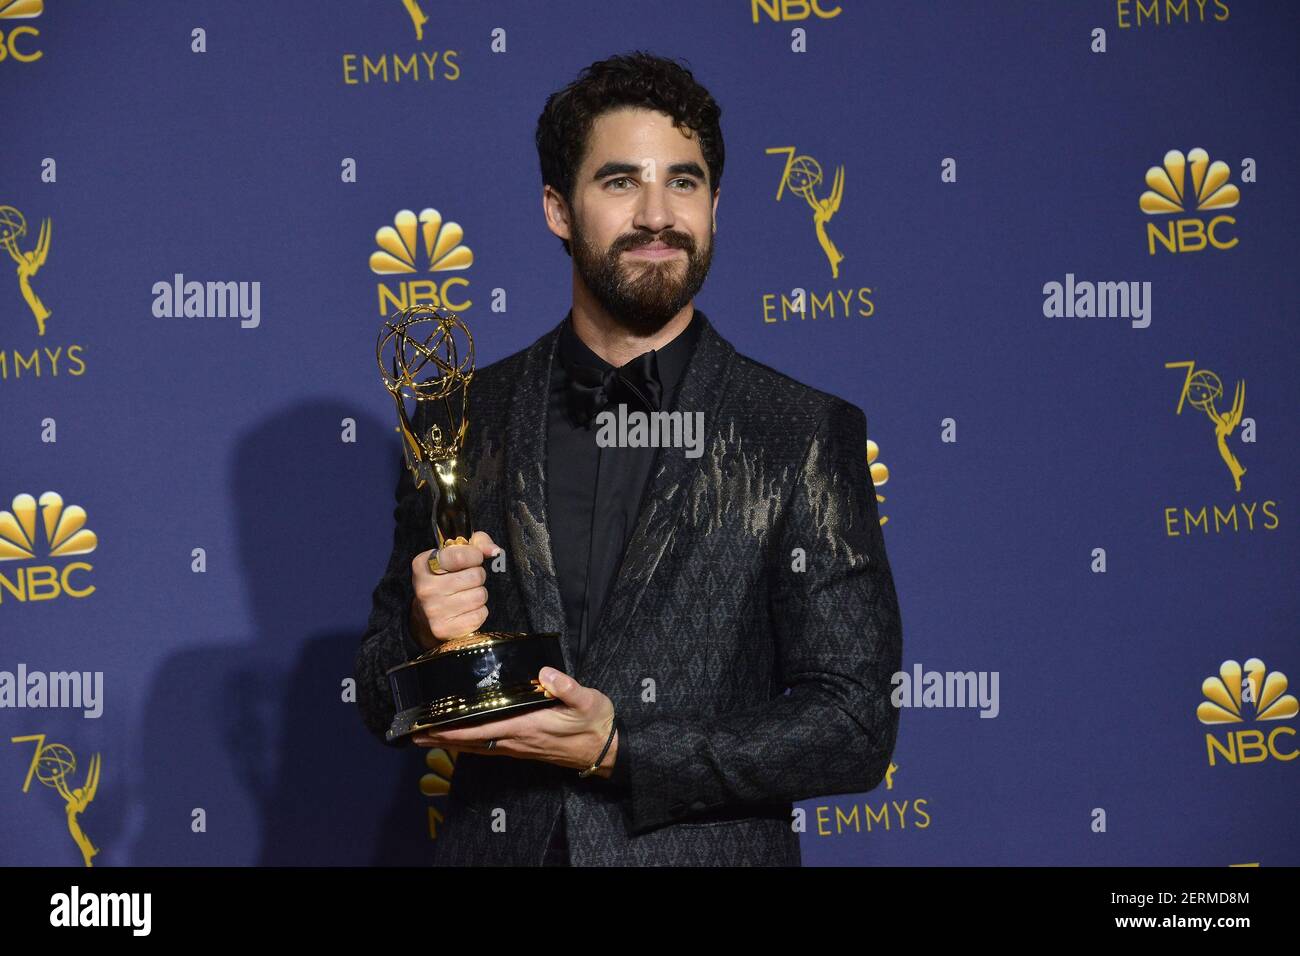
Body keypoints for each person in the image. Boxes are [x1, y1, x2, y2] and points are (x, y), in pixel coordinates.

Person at [354, 50, 902, 866]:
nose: (656, 215)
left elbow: (855, 723)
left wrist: (622, 747)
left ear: (715, 204)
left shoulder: (800, 432)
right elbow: (375, 698)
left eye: (682, 183)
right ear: (558, 209)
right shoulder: (463, 419)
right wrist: (423, 632)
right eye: (620, 182)